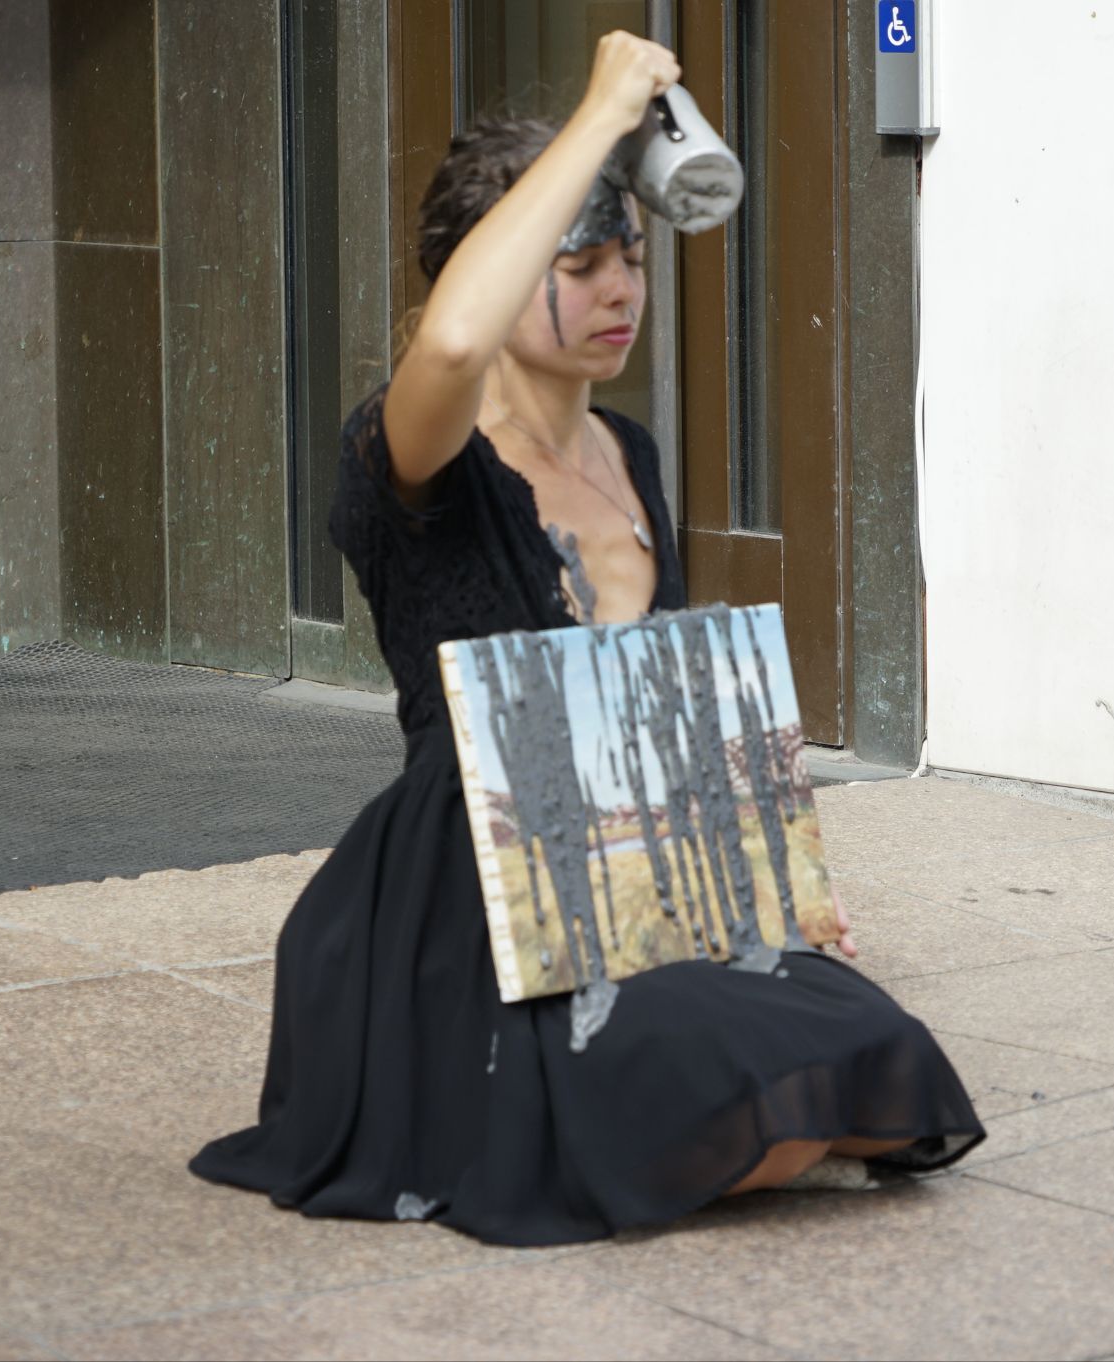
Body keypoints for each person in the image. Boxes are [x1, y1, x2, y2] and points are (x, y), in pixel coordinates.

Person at [189, 31, 983, 1247]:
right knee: (744, 1118)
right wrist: (604, 105)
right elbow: (451, 346)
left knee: (878, 1069)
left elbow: (659, 710)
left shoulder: (632, 456)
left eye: (633, 259)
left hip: (627, 866)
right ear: (493, 272)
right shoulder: (409, 452)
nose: (621, 291)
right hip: (466, 884)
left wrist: (771, 888)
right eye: (583, 261)